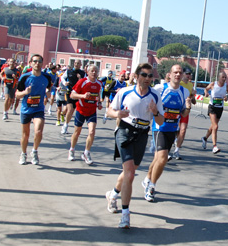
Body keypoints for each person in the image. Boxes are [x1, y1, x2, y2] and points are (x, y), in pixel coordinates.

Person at [104, 63, 164, 229]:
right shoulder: (125, 92)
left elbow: (161, 121)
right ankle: (125, 215)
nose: (147, 79)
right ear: (137, 76)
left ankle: (113, 194)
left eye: (150, 76)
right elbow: (109, 110)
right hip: (125, 130)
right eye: (144, 75)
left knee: (129, 172)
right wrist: (118, 114)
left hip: (142, 134)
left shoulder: (155, 96)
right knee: (130, 174)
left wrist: (155, 112)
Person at [141, 64, 191, 202]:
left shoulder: (184, 92)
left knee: (158, 159)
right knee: (163, 158)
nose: (178, 75)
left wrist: (187, 108)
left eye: (180, 72)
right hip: (159, 127)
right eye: (175, 72)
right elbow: (148, 101)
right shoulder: (160, 89)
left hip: (172, 129)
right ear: (169, 74)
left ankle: (147, 178)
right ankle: (151, 187)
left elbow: (183, 113)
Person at [15, 54, 52, 165]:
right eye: (35, 61)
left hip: (38, 109)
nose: (37, 63)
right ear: (31, 63)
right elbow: (17, 94)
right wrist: (25, 93)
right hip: (26, 109)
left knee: (38, 131)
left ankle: (34, 151)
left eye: (39, 61)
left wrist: (48, 93)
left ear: (42, 63)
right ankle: (23, 153)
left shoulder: (47, 77)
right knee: (25, 135)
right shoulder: (25, 77)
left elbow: (49, 91)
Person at [68, 65, 102, 165]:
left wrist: (99, 103)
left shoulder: (99, 83)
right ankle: (72, 150)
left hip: (91, 111)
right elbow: (72, 95)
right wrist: (83, 96)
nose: (94, 73)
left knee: (92, 132)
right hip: (81, 110)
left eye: (96, 71)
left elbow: (98, 94)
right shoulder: (82, 82)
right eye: (92, 71)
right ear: (87, 72)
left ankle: (86, 153)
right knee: (77, 132)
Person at [202, 71, 228, 154]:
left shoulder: (226, 86)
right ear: (219, 77)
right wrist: (206, 93)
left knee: (213, 126)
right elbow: (206, 89)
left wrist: (227, 98)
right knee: (215, 126)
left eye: (225, 77)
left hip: (220, 108)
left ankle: (205, 138)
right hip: (212, 107)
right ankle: (214, 146)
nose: (224, 79)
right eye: (223, 77)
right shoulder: (213, 84)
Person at [173, 67, 197, 160]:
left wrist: (193, 95)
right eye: (187, 73)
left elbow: (193, 101)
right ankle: (174, 141)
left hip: (185, 111)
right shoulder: (179, 83)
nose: (188, 75)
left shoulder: (191, 85)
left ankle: (176, 151)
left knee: (183, 130)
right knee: (175, 130)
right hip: (175, 109)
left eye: (189, 74)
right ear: (183, 74)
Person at [61, 60, 86, 135]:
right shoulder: (69, 71)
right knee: (70, 109)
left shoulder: (83, 73)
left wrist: (80, 79)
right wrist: (64, 83)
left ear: (80, 65)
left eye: (78, 63)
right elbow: (62, 78)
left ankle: (66, 122)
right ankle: (65, 126)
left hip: (77, 94)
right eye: (75, 63)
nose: (76, 64)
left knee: (72, 111)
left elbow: (84, 82)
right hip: (69, 92)